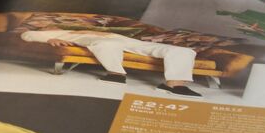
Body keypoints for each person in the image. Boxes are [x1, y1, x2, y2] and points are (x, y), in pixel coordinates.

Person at [19, 26, 202, 96]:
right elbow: (27, 35)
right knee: (108, 43)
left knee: (183, 51)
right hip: (100, 40)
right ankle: (116, 74)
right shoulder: (53, 32)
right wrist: (48, 38)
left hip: (127, 41)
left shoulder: (81, 26)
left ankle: (175, 85)